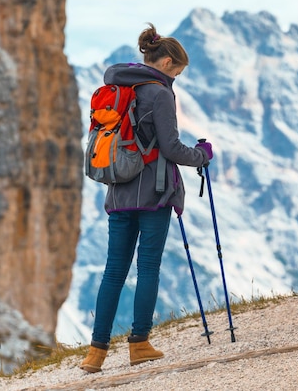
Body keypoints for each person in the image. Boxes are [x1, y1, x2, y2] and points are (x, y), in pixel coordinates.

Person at [80, 24, 213, 374]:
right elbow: (170, 147)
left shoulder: (116, 87)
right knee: (148, 268)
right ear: (167, 61)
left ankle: (96, 352)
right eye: (177, 72)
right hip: (153, 193)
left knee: (113, 271)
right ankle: (139, 344)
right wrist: (201, 155)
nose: (177, 79)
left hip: (118, 192)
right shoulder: (160, 93)